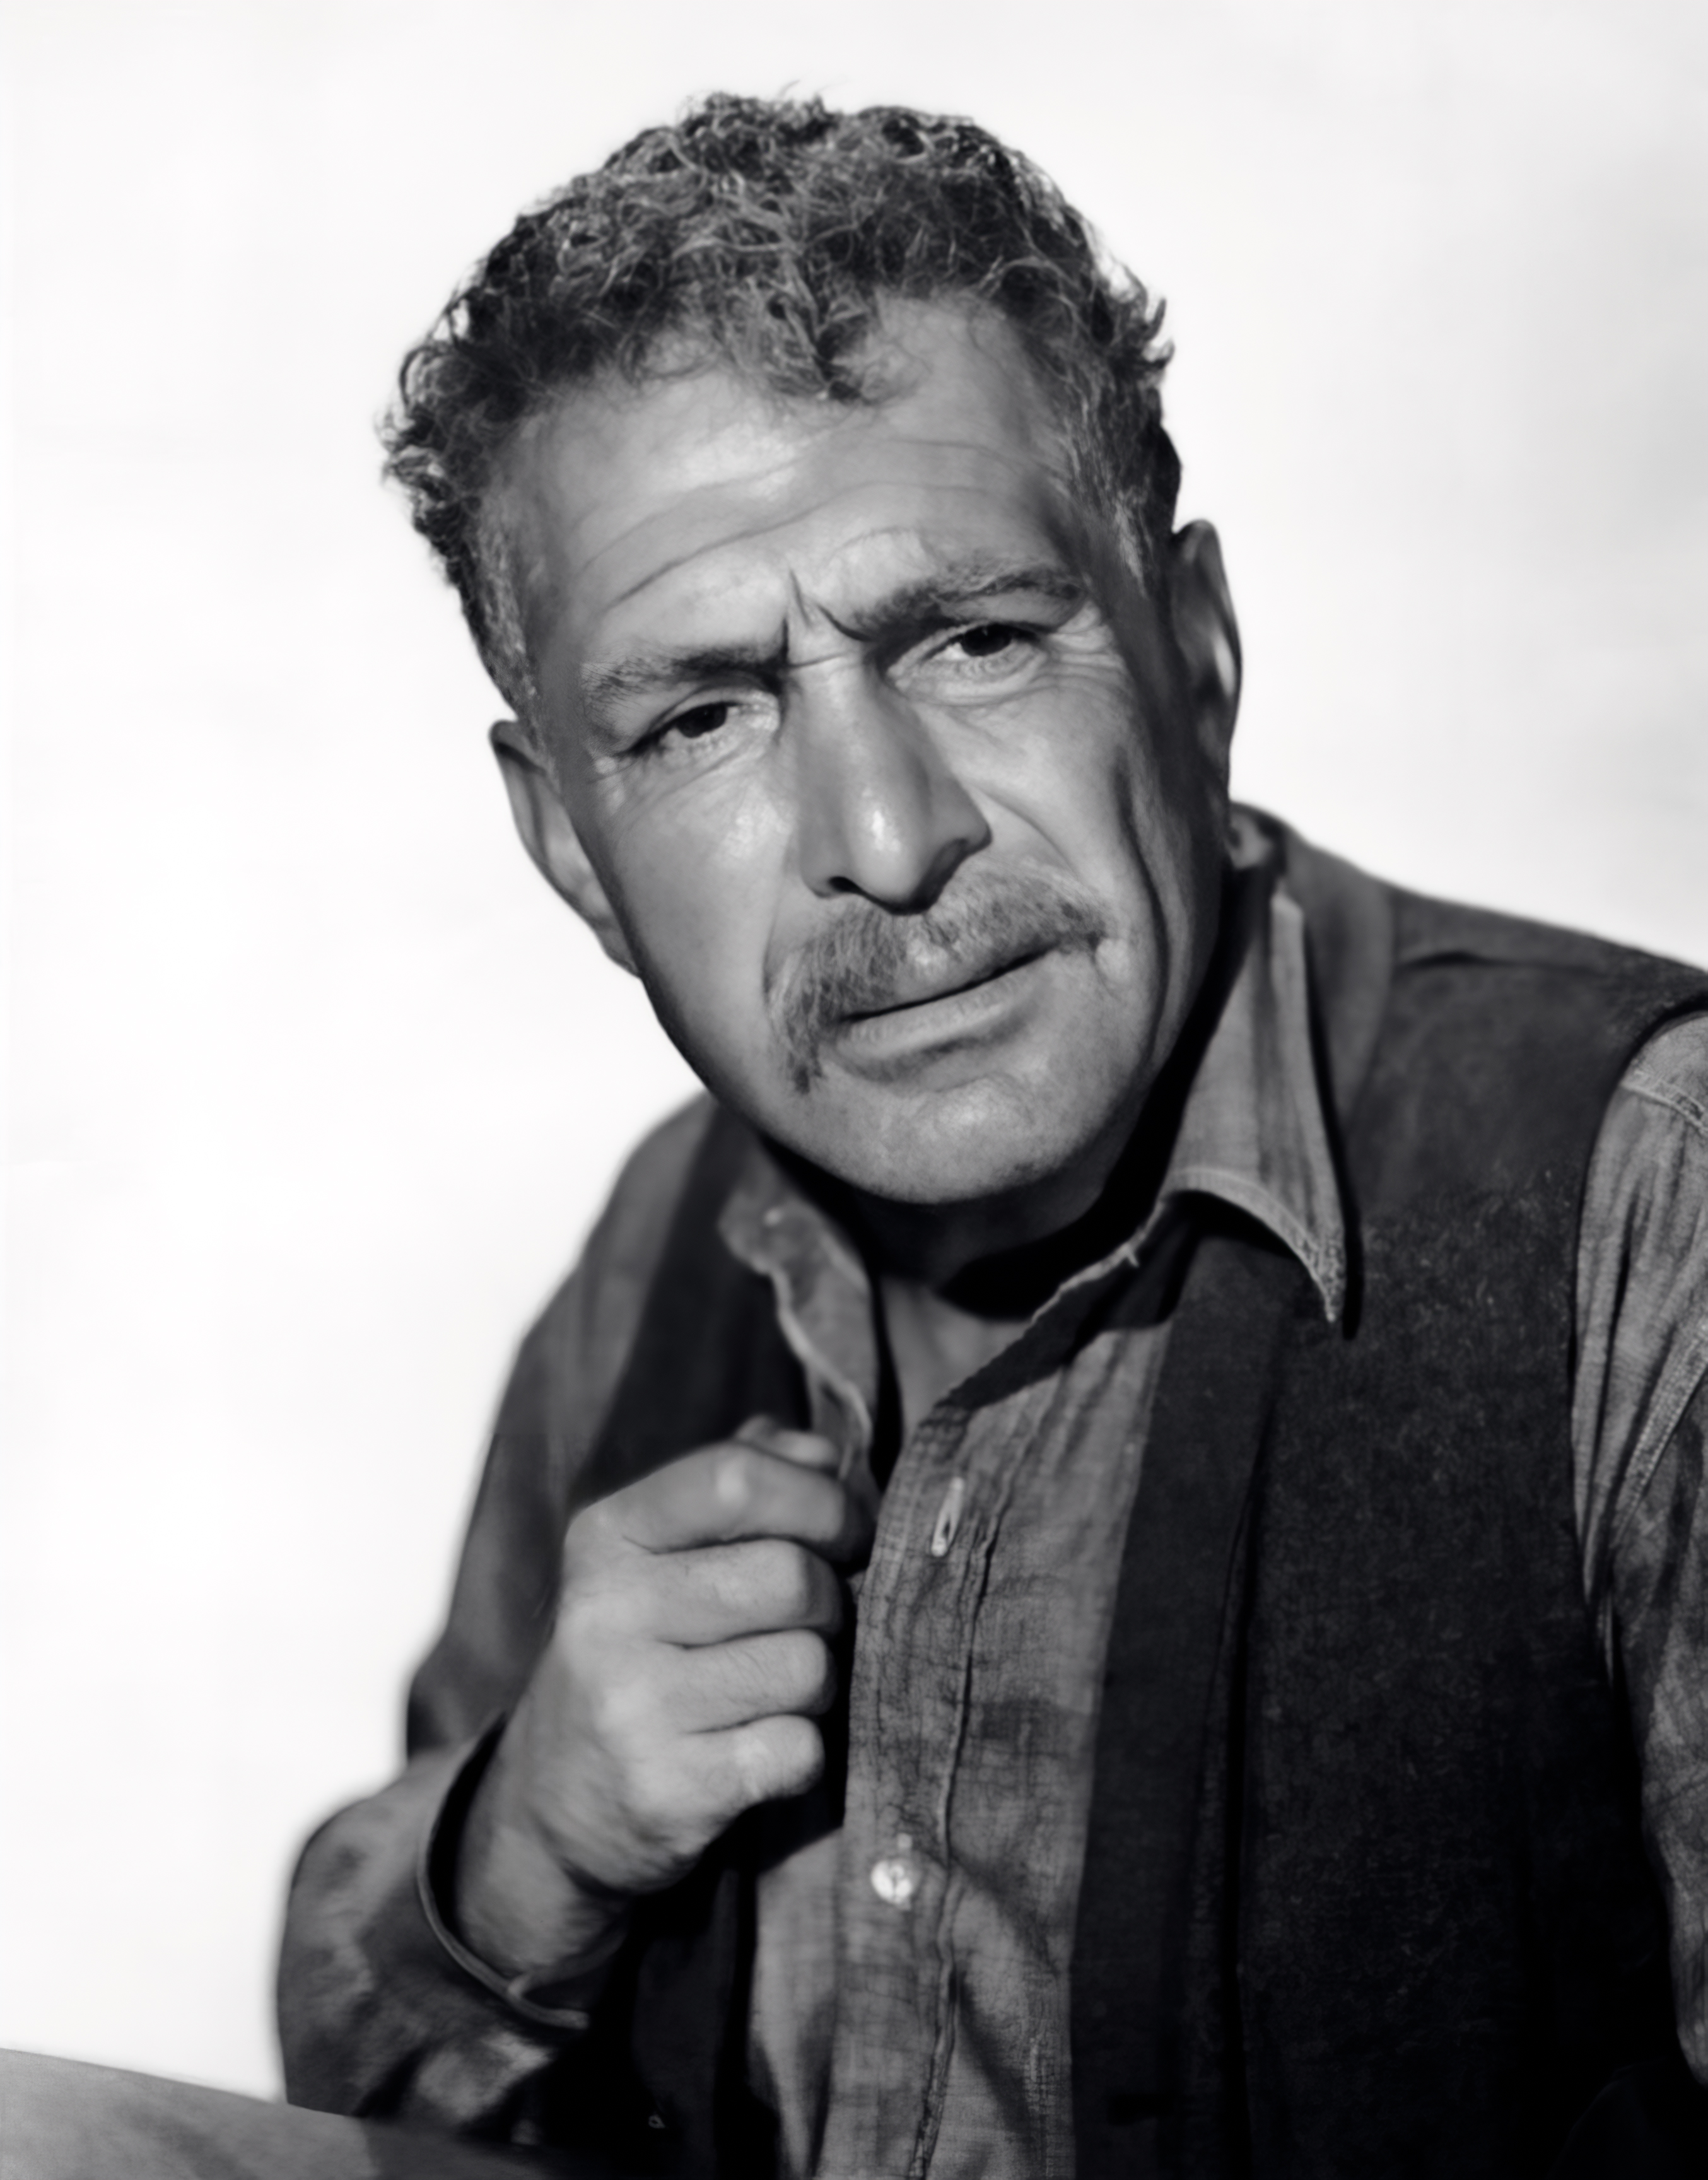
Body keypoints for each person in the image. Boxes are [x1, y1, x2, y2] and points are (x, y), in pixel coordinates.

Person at [274, 95, 1708, 2179]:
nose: (884, 840)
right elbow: (347, 2095)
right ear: (568, 849)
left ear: (1192, 652)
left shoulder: (1653, 1205)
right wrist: (524, 1849)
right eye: (701, 716)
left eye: (975, 639)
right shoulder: (658, 1249)